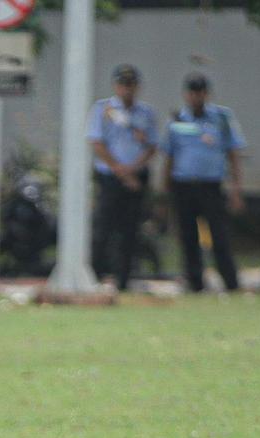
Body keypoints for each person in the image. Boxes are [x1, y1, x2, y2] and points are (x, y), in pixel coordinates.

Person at [161, 72, 247, 292]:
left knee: (219, 236)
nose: (196, 97)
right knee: (188, 236)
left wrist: (237, 189)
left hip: (211, 185)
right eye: (192, 93)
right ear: (185, 94)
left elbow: (233, 154)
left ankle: (230, 282)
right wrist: (164, 189)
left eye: (200, 93)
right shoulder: (177, 120)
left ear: (207, 94)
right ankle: (195, 283)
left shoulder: (221, 118)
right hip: (183, 185)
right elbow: (169, 156)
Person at [87, 64, 158, 290]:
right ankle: (95, 275)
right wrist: (119, 170)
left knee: (130, 231)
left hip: (136, 177)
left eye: (131, 85)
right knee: (102, 228)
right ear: (115, 86)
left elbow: (151, 146)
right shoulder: (103, 109)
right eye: (122, 84)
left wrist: (131, 170)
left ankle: (124, 279)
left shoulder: (145, 113)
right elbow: (96, 143)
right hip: (110, 177)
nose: (127, 89)